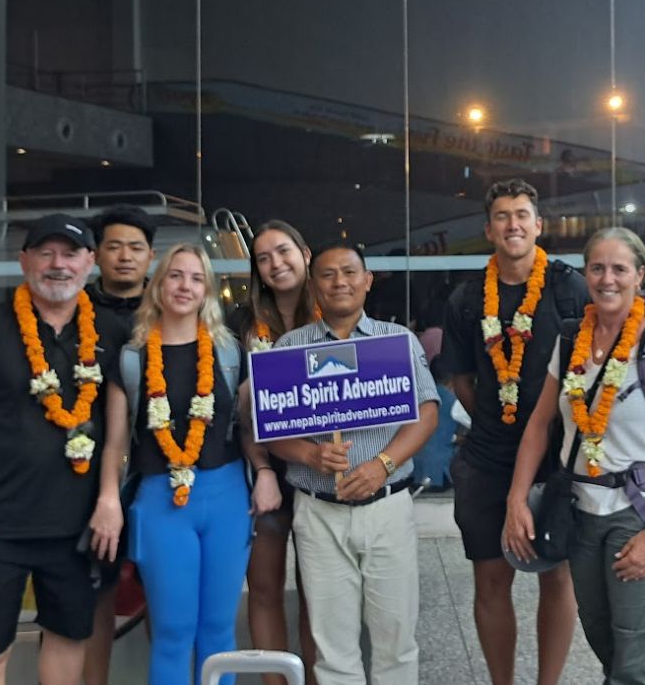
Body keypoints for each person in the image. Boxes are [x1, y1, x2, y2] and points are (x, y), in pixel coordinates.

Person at [0, 214, 128, 685]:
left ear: (90, 262)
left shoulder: (111, 334)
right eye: (45, 253)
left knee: (66, 642)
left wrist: (109, 500)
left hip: (77, 526)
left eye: (70, 253)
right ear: (24, 261)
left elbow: (121, 429)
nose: (58, 265)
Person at [504, 227, 645, 685]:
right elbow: (539, 424)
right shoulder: (571, 340)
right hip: (581, 515)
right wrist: (516, 499)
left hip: (638, 514)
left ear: (639, 276)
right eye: (597, 267)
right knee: (606, 644)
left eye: (619, 268)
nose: (607, 278)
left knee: (638, 659)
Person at [268, 243, 439, 685]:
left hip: (387, 506)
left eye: (349, 272)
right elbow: (271, 428)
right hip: (319, 510)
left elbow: (428, 413)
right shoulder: (290, 347)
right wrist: (310, 453)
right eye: (327, 274)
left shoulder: (395, 341)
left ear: (367, 281)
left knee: (396, 640)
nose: (339, 281)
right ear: (313, 286)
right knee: (332, 648)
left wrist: (383, 463)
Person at [90, 244, 258, 685]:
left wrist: (264, 476)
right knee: (172, 632)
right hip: (161, 503)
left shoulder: (230, 354)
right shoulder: (131, 358)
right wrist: (109, 499)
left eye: (196, 278)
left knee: (218, 630)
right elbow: (114, 443)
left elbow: (248, 427)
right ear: (158, 285)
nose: (185, 286)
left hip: (226, 499)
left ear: (207, 291)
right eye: (176, 276)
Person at [440, 178, 587, 685]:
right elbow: (460, 379)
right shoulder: (464, 299)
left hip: (557, 457)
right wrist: (501, 422)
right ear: (488, 229)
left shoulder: (569, 288)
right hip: (488, 457)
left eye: (522, 214)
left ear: (538, 225)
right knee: (490, 577)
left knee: (557, 573)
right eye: (502, 216)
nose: (513, 224)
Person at [228, 220, 318, 685]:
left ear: (305, 252)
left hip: (323, 472)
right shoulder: (241, 325)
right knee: (263, 588)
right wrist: (262, 467)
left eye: (283, 252)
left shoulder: (332, 312)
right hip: (263, 472)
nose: (275, 264)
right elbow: (237, 412)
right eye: (263, 258)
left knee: (316, 593)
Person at [83, 204, 157, 685]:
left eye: (136, 248)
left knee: (165, 592)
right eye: (114, 247)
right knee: (94, 594)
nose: (125, 257)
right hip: (88, 473)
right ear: (96, 255)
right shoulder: (73, 309)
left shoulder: (174, 306)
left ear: (151, 256)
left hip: (163, 469)